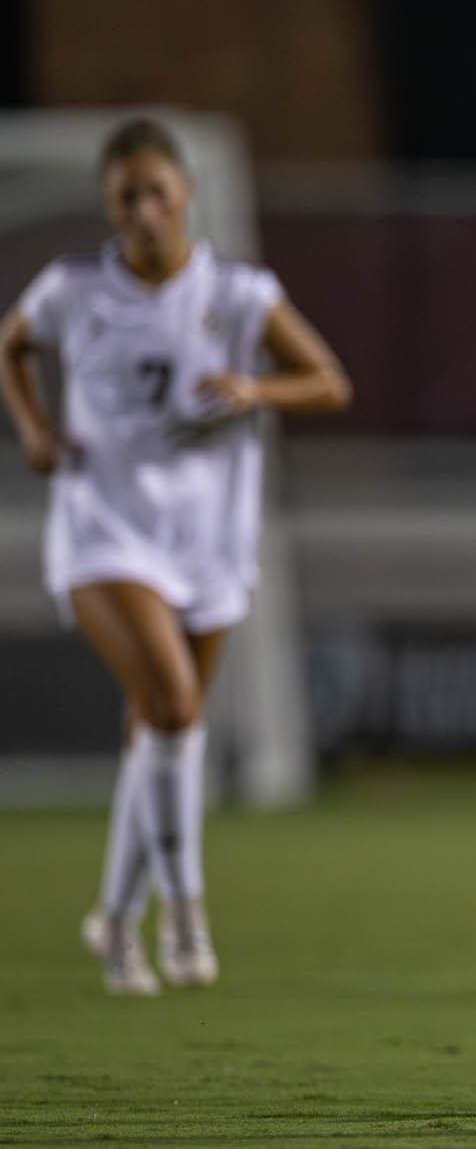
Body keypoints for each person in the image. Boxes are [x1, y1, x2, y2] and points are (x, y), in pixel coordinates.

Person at [0, 118, 351, 995]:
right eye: (127, 197)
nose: (144, 211)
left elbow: (329, 382)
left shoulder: (235, 292)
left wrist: (252, 388)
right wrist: (35, 426)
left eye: (157, 191)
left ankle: (114, 923)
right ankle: (187, 910)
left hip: (205, 535)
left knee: (157, 729)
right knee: (176, 702)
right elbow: (11, 344)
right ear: (107, 205)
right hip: (104, 528)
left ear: (185, 193)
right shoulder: (74, 289)